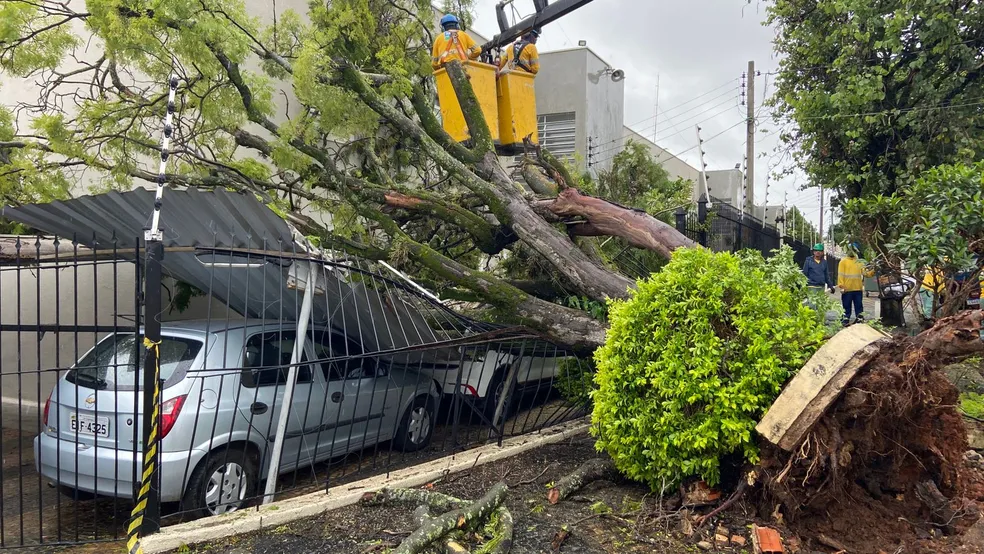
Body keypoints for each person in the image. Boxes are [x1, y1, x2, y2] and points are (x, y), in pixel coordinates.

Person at [837, 242, 873, 325]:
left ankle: (859, 321)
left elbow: (866, 274)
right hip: (847, 289)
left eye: (853, 250)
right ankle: (845, 321)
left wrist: (873, 271)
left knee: (859, 307)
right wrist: (841, 286)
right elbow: (840, 275)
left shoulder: (859, 262)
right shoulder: (843, 262)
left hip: (857, 289)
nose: (851, 252)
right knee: (846, 307)